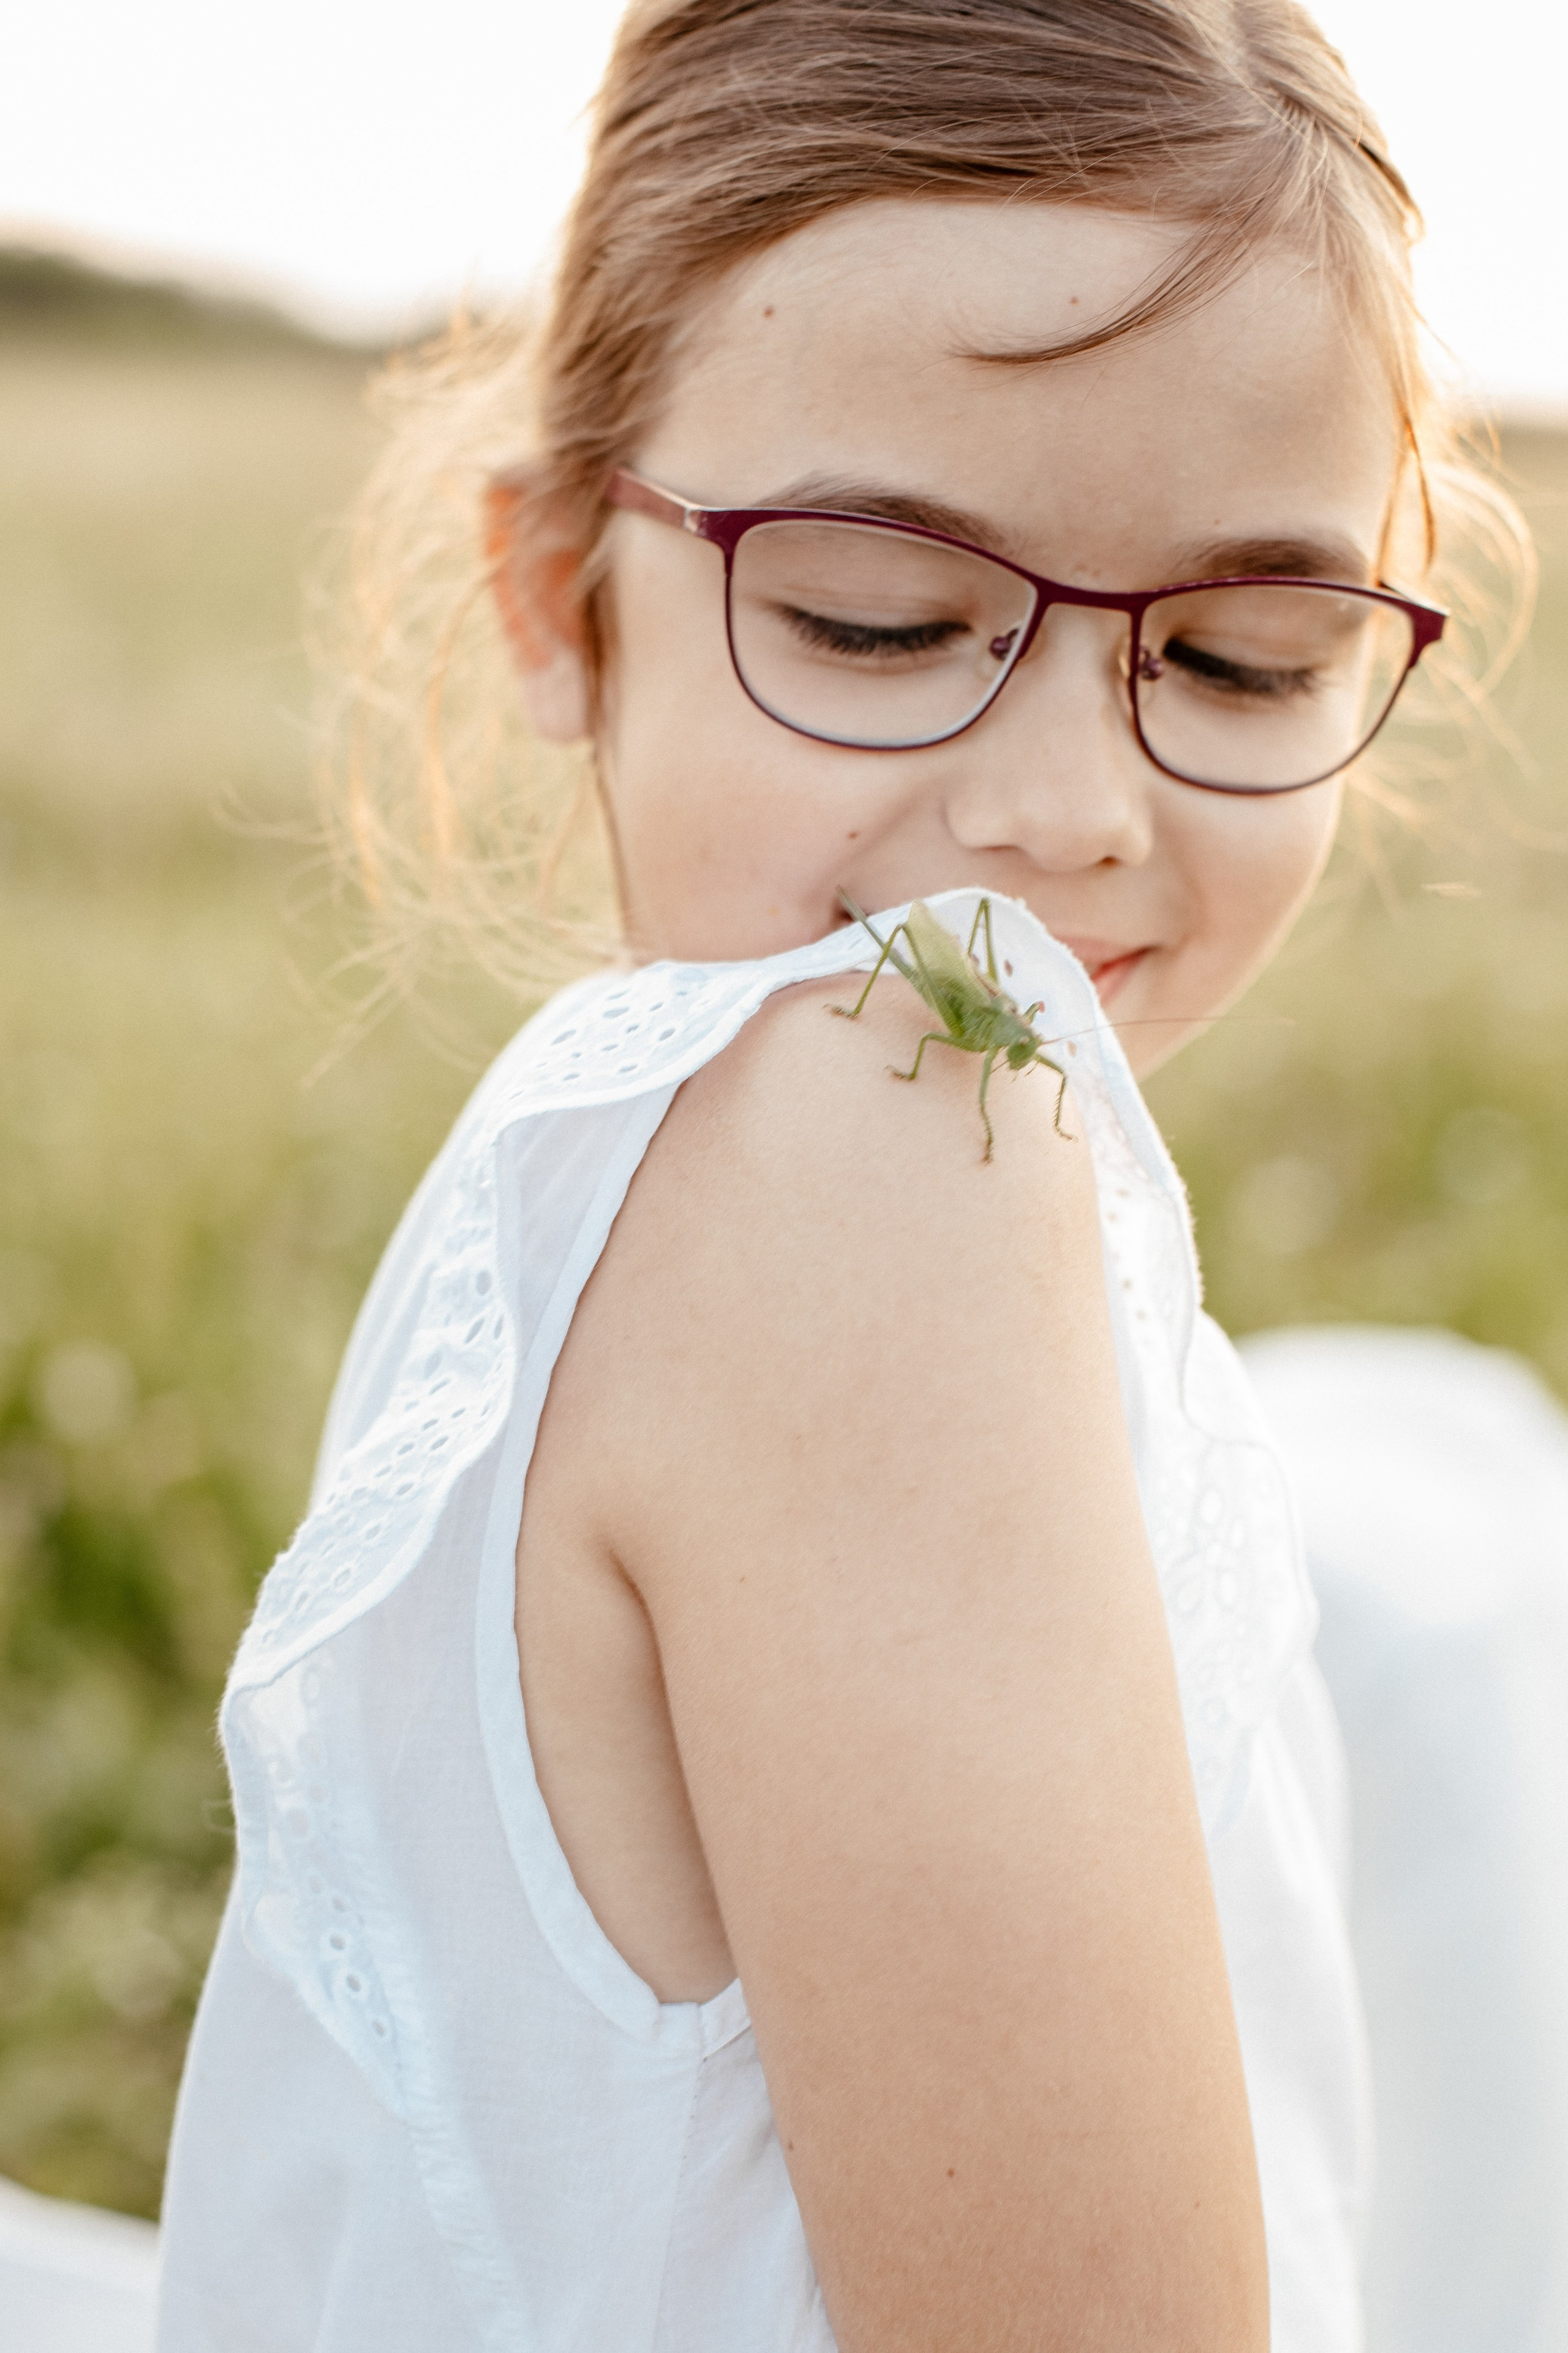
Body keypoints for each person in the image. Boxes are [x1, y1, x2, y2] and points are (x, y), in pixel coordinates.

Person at [151, 4, 1521, 2346]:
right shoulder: (871, 1152)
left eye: (1242, 653)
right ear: (552, 585)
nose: (1068, 810)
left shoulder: (685, 1162)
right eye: (876, 619)